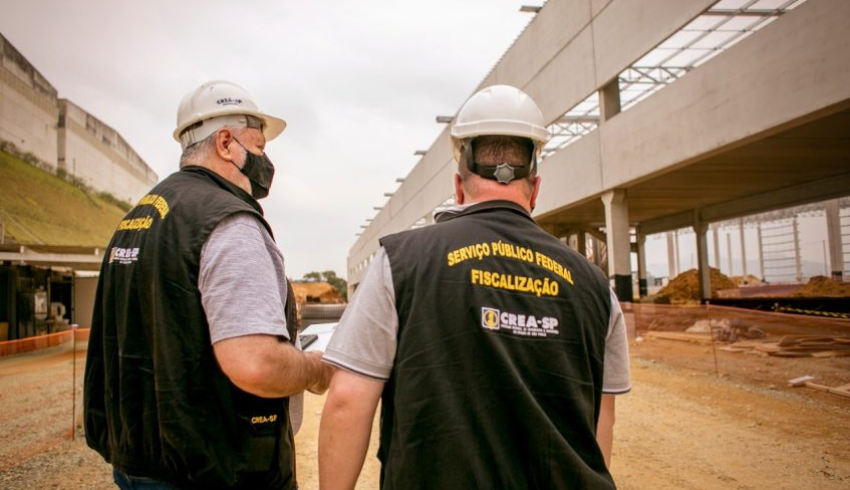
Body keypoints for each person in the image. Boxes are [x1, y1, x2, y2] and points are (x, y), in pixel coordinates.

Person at [318, 85, 631, 489]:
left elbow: (347, 401)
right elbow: (599, 427)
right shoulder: (595, 288)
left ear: (459, 185)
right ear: (534, 189)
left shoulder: (400, 263)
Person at [84, 80, 333, 490]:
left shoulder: (139, 218)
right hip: (214, 468)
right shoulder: (228, 223)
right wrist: (313, 369)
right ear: (224, 143)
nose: (264, 161)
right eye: (258, 147)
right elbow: (255, 362)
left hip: (140, 460)